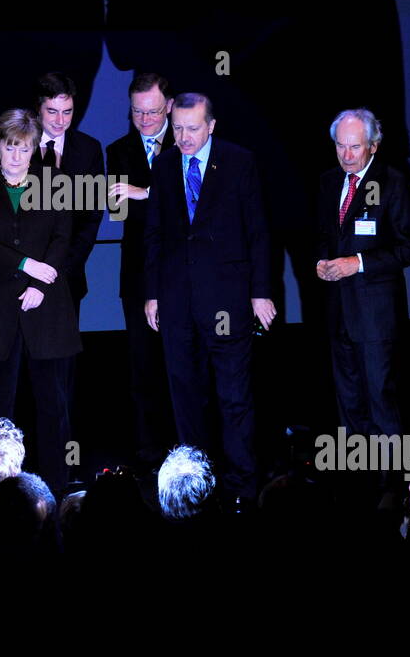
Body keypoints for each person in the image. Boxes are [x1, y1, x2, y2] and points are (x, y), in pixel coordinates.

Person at [144, 93, 275, 506]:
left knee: (234, 396)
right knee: (185, 394)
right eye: (177, 127)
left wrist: (261, 293)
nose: (183, 136)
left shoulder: (240, 162)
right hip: (177, 302)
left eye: (193, 128)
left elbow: (258, 232)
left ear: (212, 125)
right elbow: (155, 236)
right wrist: (152, 295)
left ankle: (242, 487)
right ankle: (195, 486)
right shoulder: (164, 165)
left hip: (229, 301)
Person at [0, 110, 82, 492]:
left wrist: (40, 285)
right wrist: (25, 264)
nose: (17, 156)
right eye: (10, 146)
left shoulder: (55, 182)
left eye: (25, 148)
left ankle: (57, 486)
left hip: (46, 307)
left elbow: (63, 240)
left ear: (34, 149)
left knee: (54, 405)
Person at [316, 108, 410, 440]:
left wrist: (357, 262)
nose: (346, 156)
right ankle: (360, 482)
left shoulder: (393, 182)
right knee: (348, 406)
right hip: (338, 313)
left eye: (355, 148)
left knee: (381, 403)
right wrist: (321, 260)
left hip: (376, 317)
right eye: (340, 146)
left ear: (373, 146)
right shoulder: (328, 181)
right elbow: (324, 234)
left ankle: (396, 484)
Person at [107, 71, 177, 465]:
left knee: (183, 365)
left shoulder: (187, 141)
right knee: (143, 370)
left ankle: (188, 446)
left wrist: (145, 192)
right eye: (136, 112)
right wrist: (151, 197)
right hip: (137, 276)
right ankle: (150, 454)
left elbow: (191, 202)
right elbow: (118, 211)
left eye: (151, 112)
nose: (144, 120)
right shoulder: (119, 151)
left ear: (168, 106)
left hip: (182, 272)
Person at [32, 71, 105, 316]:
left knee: (63, 352)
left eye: (67, 111)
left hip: (67, 275)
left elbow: (92, 216)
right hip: (20, 273)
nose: (60, 120)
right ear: (38, 109)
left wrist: (63, 267)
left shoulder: (89, 149)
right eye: (52, 111)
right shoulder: (16, 146)